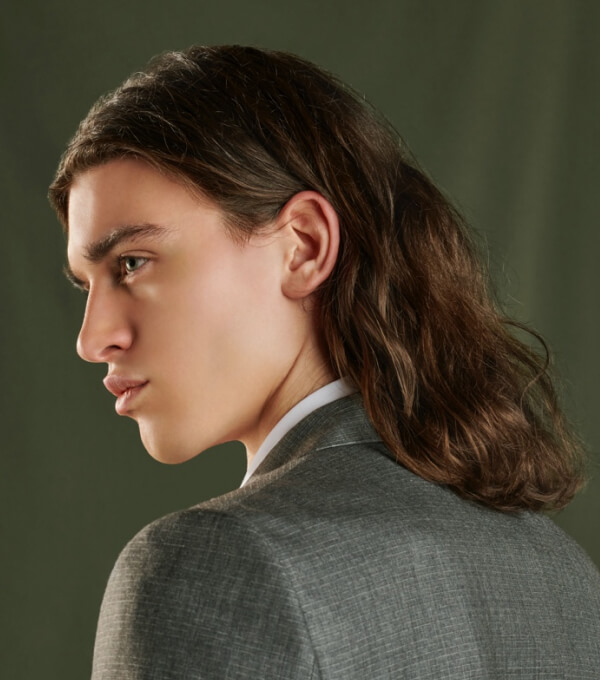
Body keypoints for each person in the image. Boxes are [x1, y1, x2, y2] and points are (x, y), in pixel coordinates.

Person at [49, 45, 600, 679]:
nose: (93, 339)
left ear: (304, 246)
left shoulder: (215, 562)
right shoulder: (564, 574)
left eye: (132, 263)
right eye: (85, 285)